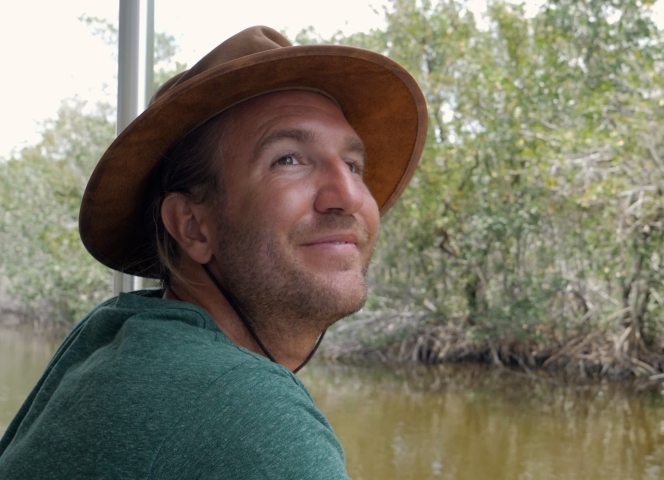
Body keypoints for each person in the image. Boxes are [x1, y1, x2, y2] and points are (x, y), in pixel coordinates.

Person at [0, 26, 427, 479]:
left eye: (353, 165)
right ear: (192, 226)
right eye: (288, 159)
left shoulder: (117, 333)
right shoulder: (251, 414)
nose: (348, 195)